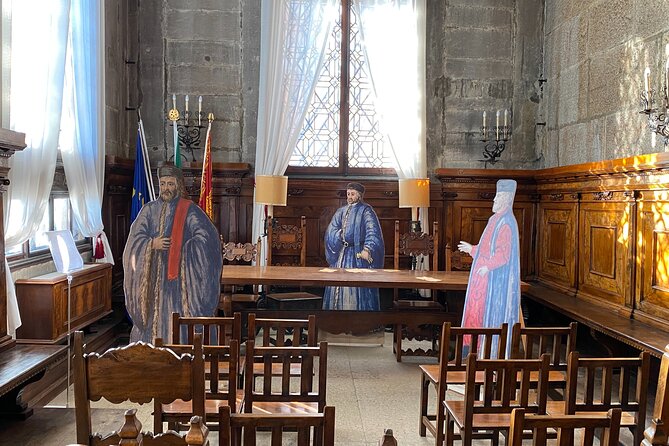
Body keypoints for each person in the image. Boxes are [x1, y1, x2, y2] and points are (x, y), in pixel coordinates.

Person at [123, 165, 223, 343]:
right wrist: (152, 244)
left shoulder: (189, 210)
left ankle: (183, 351)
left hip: (179, 285)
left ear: (178, 185)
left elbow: (207, 238)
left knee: (177, 321)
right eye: (162, 184)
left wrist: (184, 249)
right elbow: (134, 242)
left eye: (170, 183)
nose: (166, 188)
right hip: (152, 281)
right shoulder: (148, 210)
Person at [458, 179, 520, 355]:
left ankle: (483, 353)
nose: (493, 200)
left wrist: (487, 267)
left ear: (506, 199)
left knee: (484, 314)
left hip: (494, 282)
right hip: (483, 278)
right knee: (475, 312)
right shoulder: (496, 219)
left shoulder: (506, 223)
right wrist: (472, 249)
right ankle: (472, 351)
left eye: (497, 196)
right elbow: (486, 248)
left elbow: (503, 255)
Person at [323, 182, 385, 310]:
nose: (349, 197)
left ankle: (360, 322)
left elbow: (372, 232)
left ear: (359, 195)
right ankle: (334, 320)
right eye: (348, 194)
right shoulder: (341, 211)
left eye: (352, 194)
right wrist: (339, 235)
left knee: (356, 289)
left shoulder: (366, 211)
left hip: (357, 256)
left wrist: (367, 249)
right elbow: (331, 230)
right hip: (341, 254)